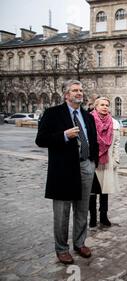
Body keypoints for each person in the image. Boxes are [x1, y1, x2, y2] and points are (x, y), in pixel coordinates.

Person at [35, 79, 99, 265]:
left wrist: (92, 161)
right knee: (62, 212)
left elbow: (93, 139)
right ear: (66, 94)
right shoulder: (53, 113)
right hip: (63, 170)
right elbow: (41, 140)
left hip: (86, 166)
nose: (79, 93)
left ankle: (79, 243)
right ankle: (62, 249)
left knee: (82, 208)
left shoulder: (87, 116)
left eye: (81, 90)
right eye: (75, 90)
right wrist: (64, 135)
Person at [89, 97, 120, 228]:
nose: (105, 107)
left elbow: (117, 143)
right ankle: (92, 217)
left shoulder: (114, 123)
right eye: (102, 104)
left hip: (107, 161)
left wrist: (116, 159)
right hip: (92, 161)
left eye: (107, 105)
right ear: (96, 106)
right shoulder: (89, 120)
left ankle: (103, 216)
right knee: (91, 191)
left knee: (104, 191)